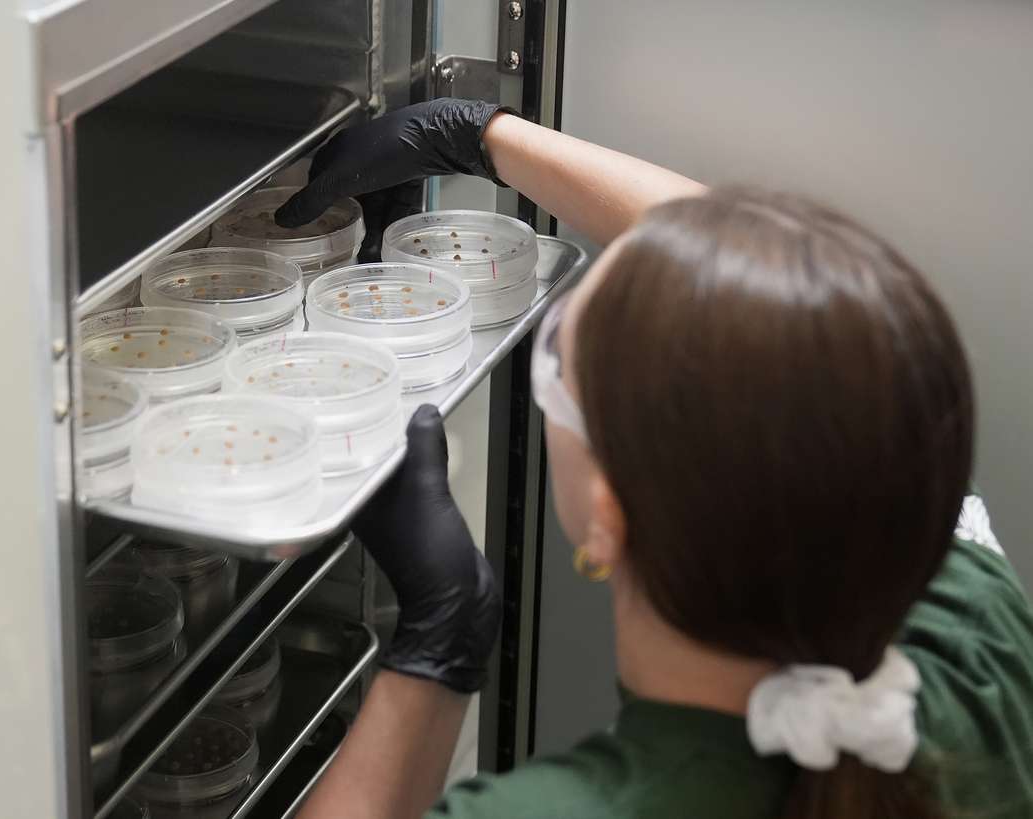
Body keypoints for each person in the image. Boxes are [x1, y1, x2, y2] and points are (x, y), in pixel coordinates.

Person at [279, 100, 1033, 819]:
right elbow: (798, 311)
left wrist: (433, 656)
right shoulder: (977, 650)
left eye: (556, 366)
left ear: (608, 517)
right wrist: (481, 135)